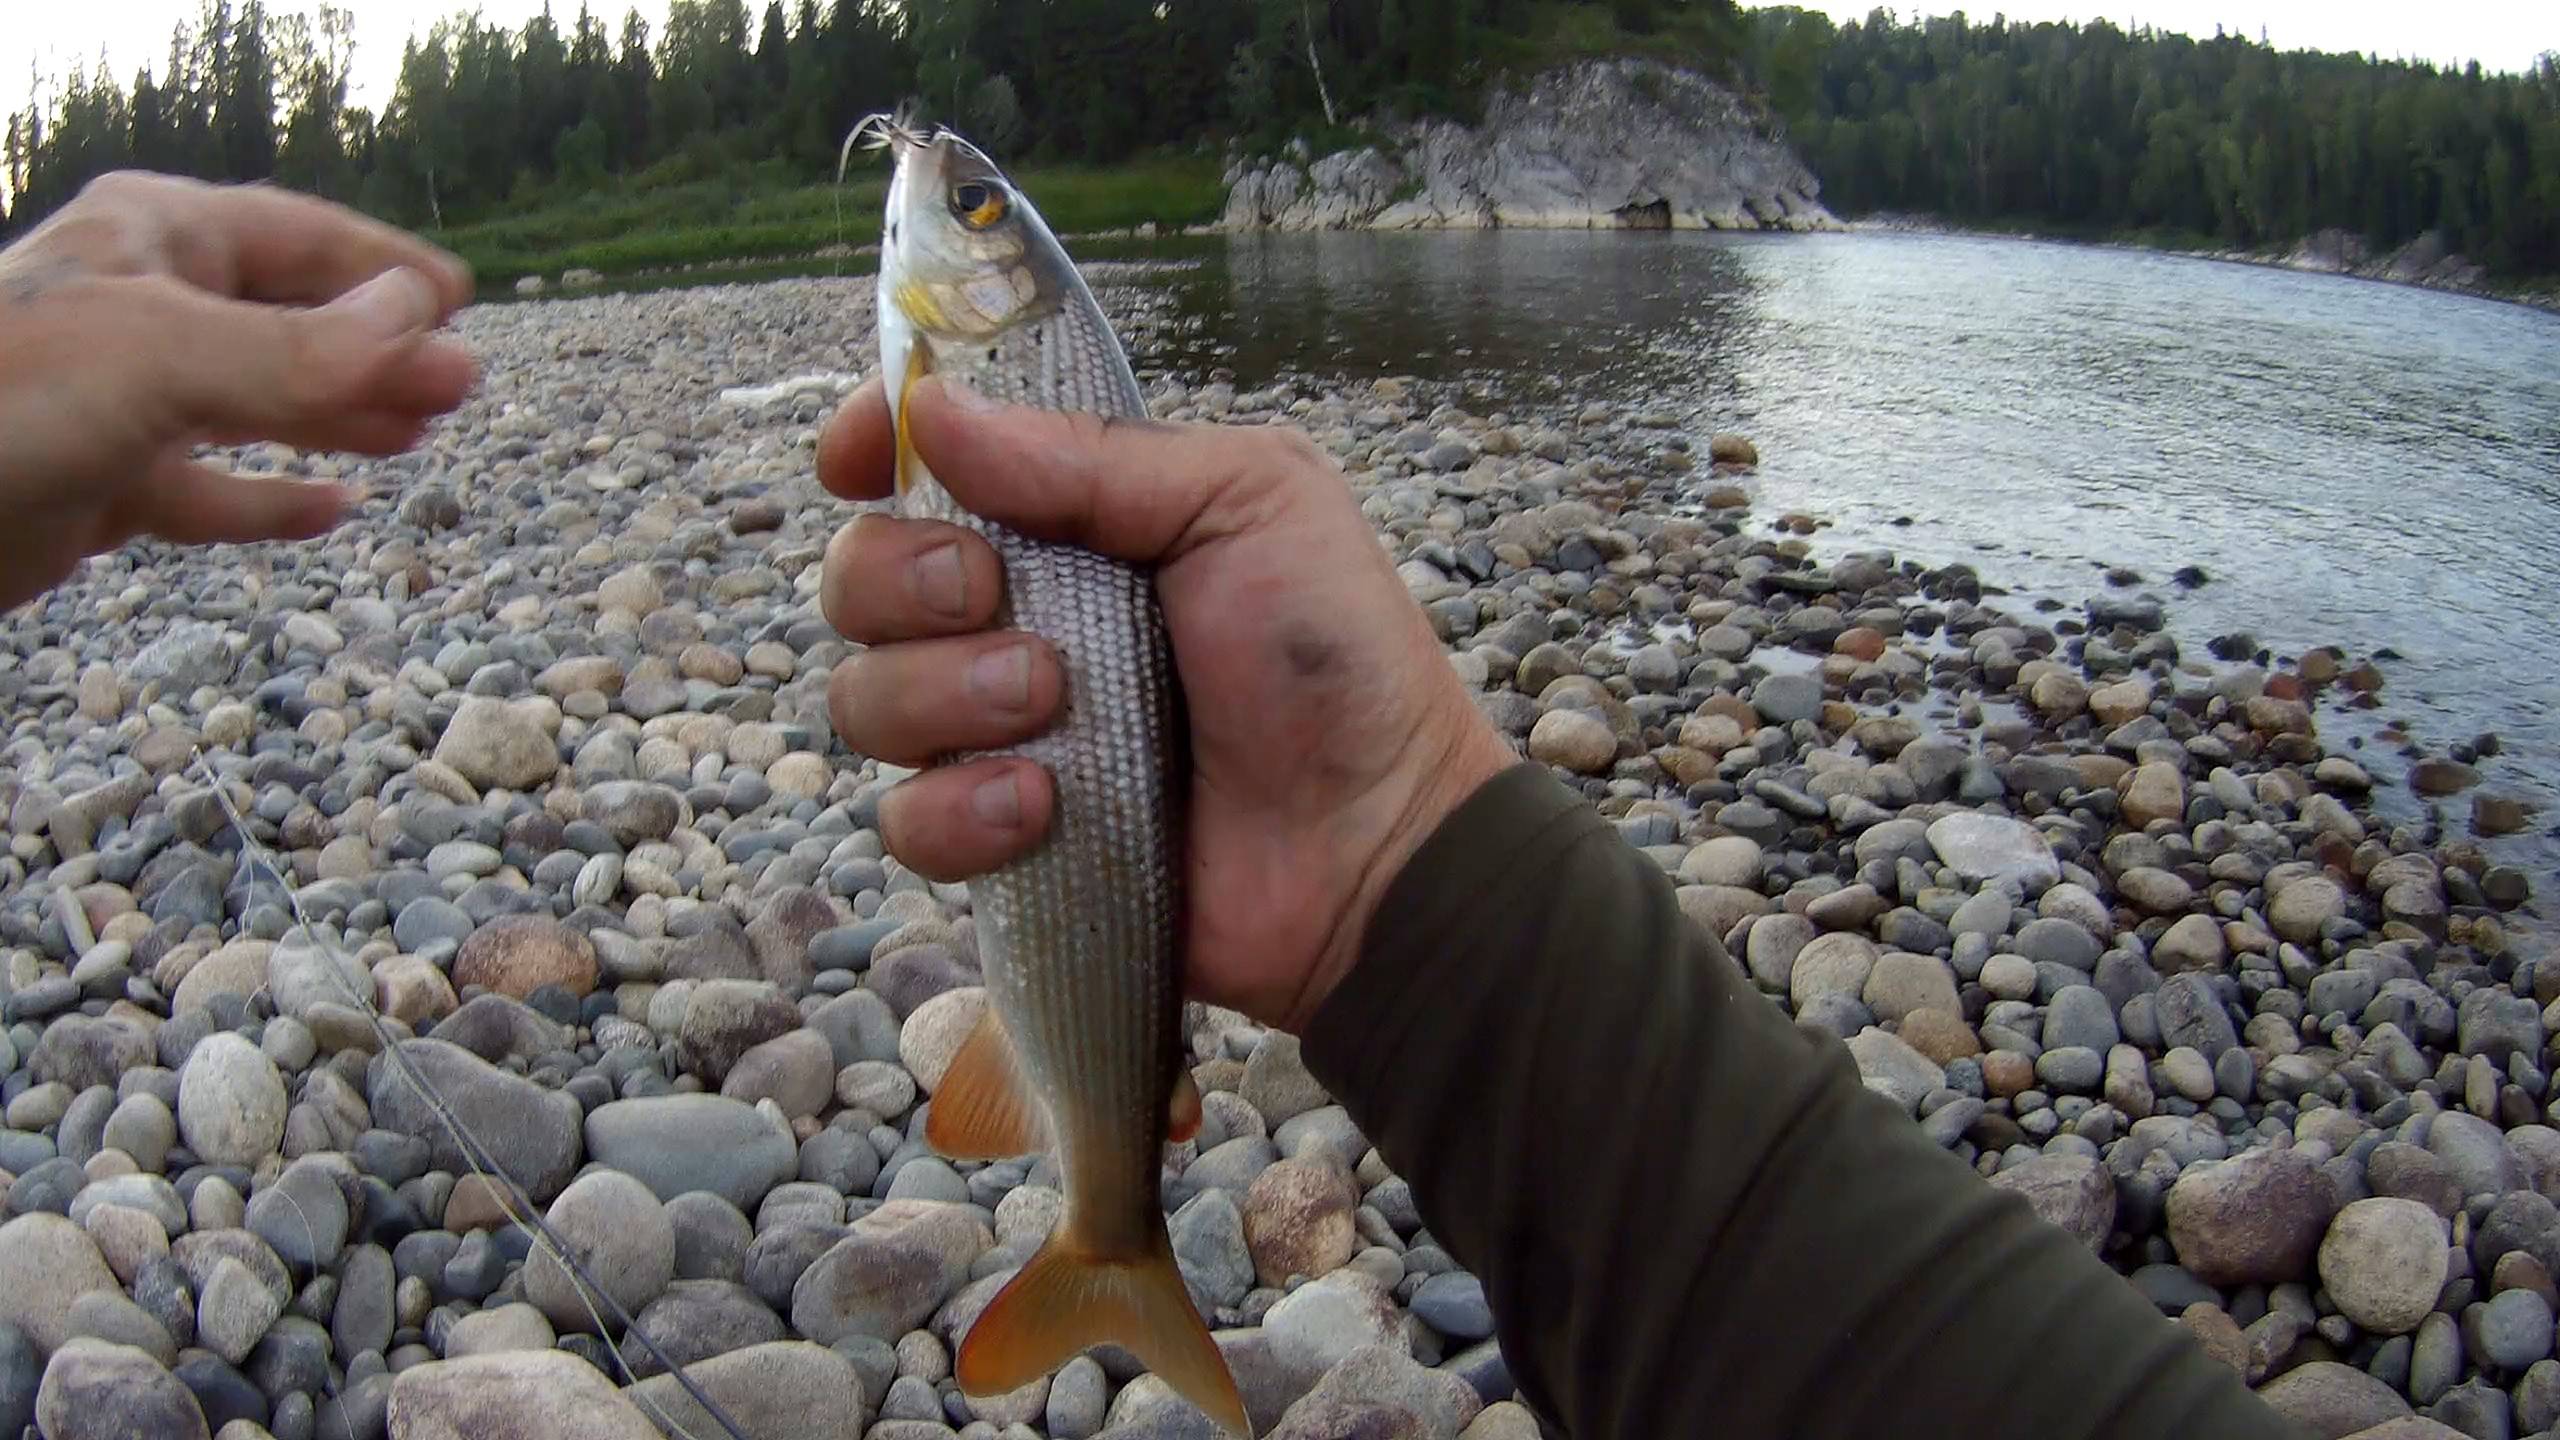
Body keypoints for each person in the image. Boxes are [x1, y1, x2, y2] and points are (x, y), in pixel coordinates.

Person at [2, 175, 2300, 1439]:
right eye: (961, 204)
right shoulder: (962, 380)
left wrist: (1400, 842)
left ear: (987, 305)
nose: (939, 210)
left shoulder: (998, 385)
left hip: (1170, 915)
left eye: (973, 208)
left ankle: (1101, 1229)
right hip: (1320, 946)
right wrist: (1418, 875)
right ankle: (1099, 1219)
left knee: (959, 697)